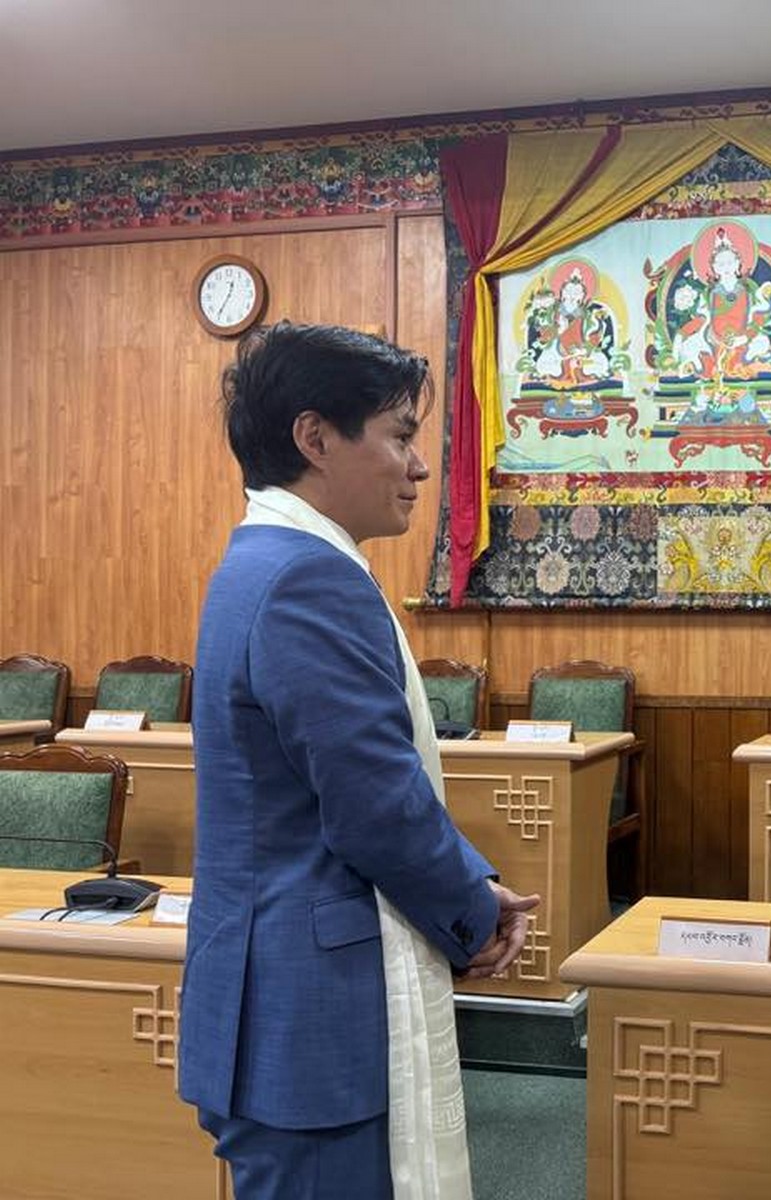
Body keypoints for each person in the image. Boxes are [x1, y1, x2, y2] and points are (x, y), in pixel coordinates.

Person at [178, 321, 540, 1200]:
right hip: (311, 1009)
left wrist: (469, 886)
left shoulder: (260, 560)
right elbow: (374, 802)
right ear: (315, 438)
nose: (419, 467)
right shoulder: (309, 578)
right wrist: (470, 906)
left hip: (274, 993)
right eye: (402, 437)